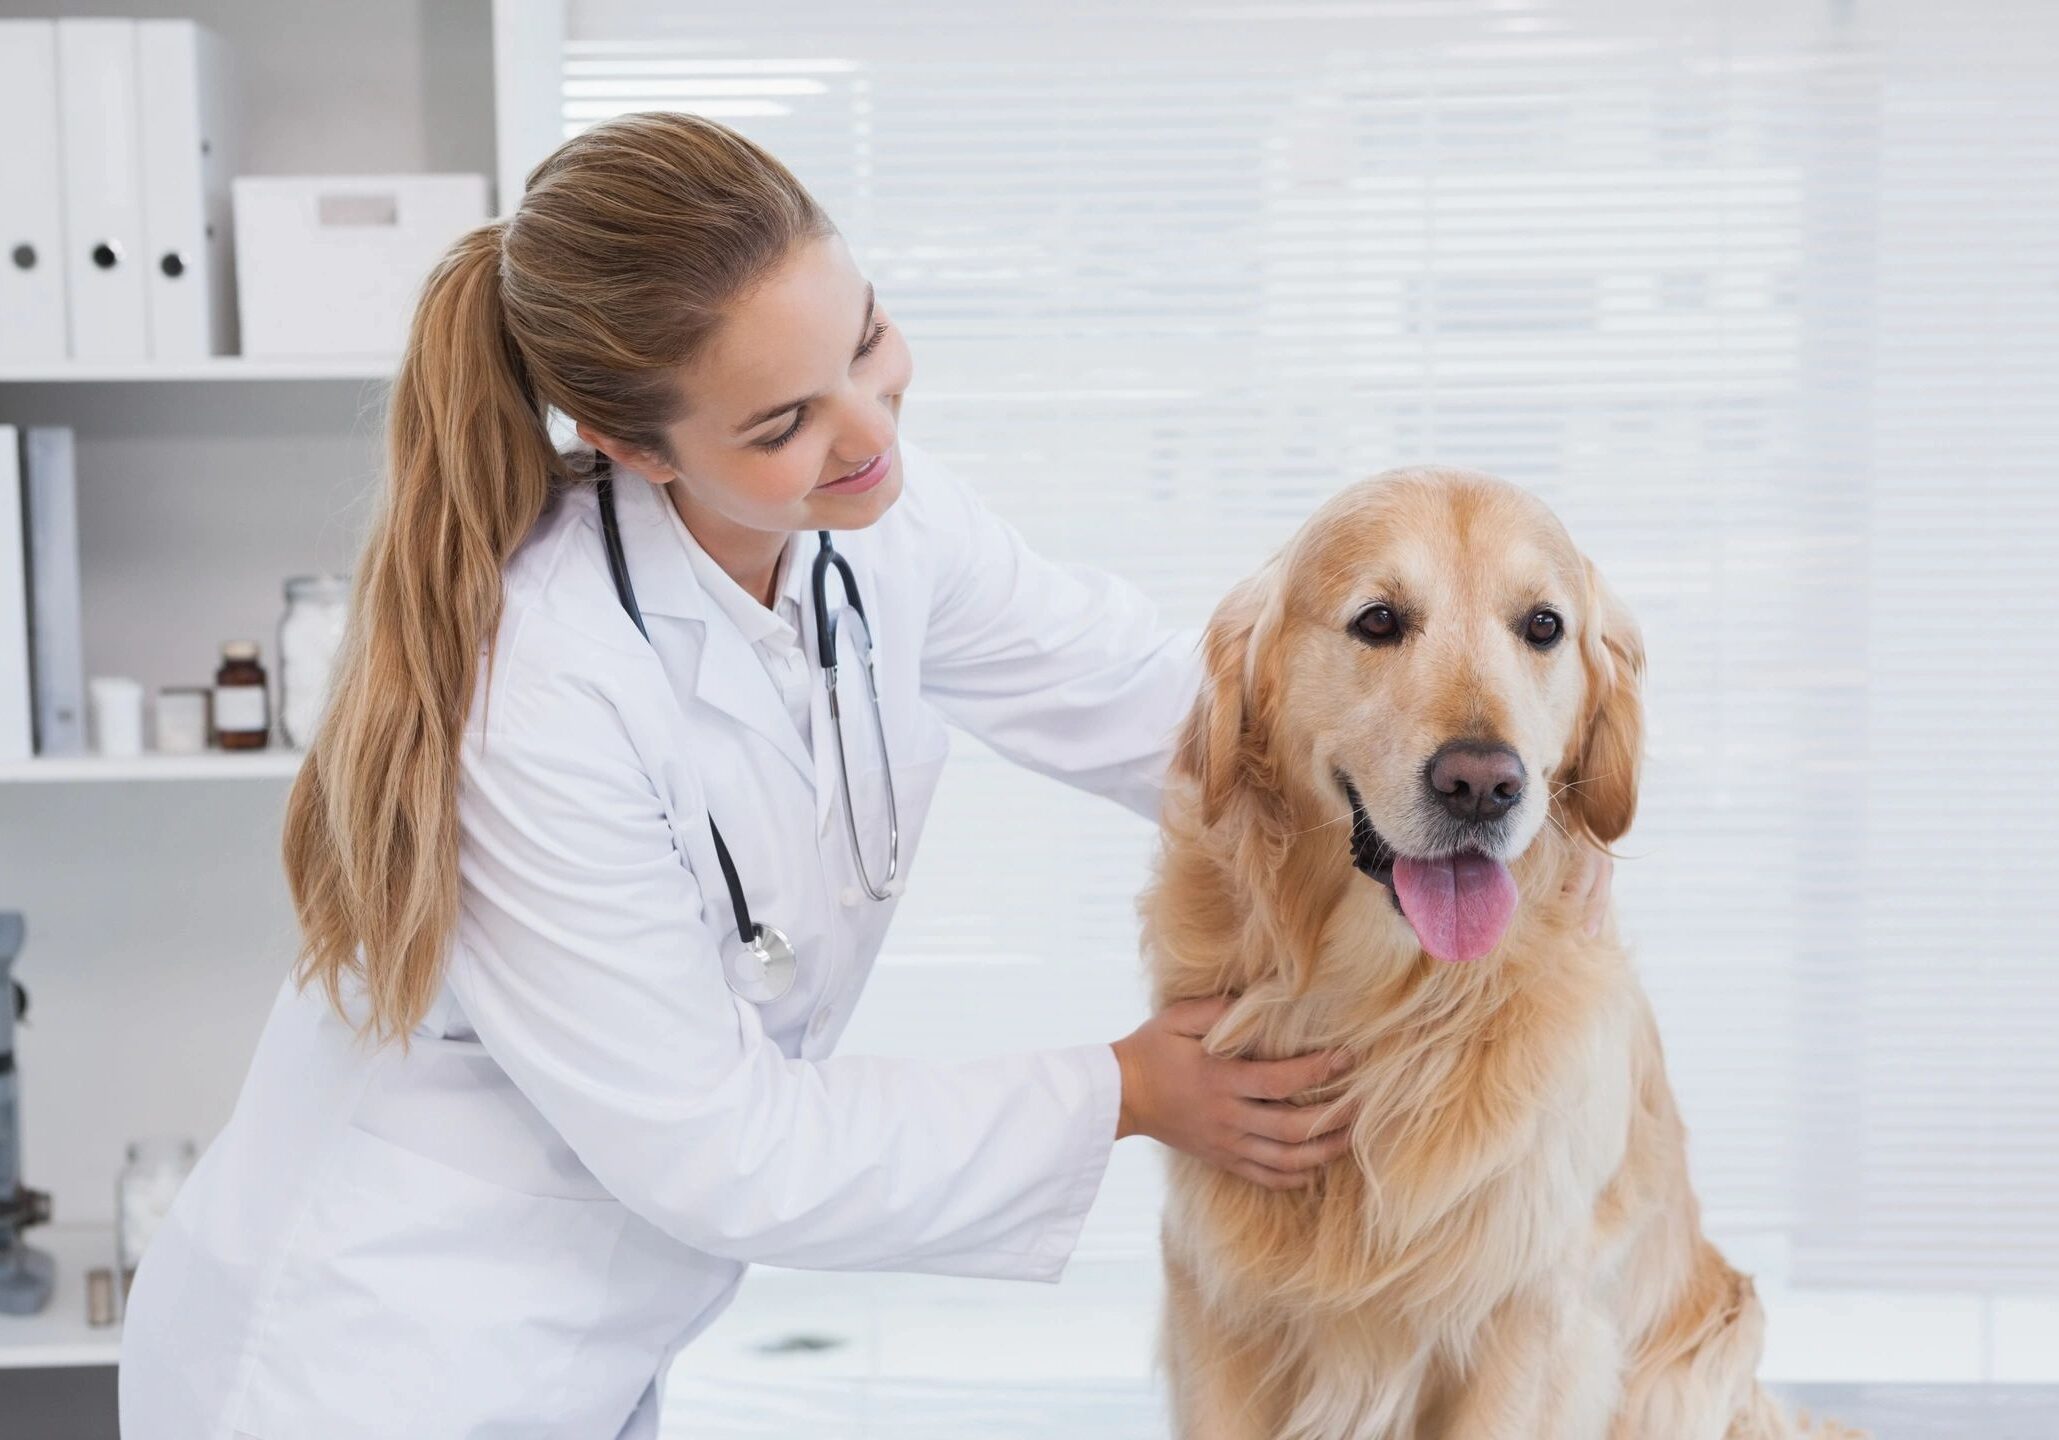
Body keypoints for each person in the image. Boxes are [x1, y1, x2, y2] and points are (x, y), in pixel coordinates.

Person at [117, 112, 1612, 1439]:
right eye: (786, 421)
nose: (872, 432)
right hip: (368, 1363)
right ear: (632, 444)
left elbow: (1177, 717)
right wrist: (1124, 1092)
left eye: (869, 343)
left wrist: (1452, 779)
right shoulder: (539, 698)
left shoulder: (875, 521)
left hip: (595, 1339)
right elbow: (722, 1145)